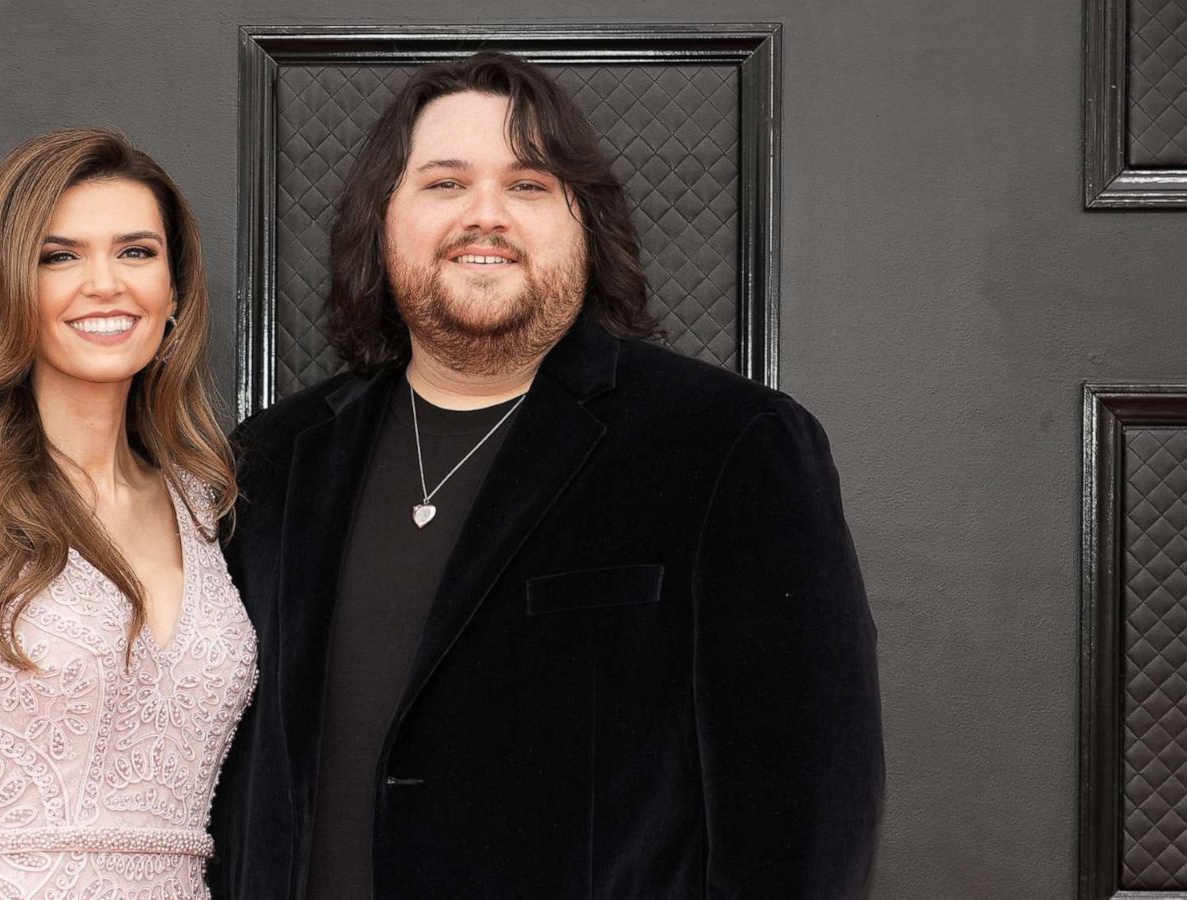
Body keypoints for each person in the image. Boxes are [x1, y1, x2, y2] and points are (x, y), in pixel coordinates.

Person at [208, 52, 883, 899]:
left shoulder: (730, 445)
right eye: (444, 184)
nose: (485, 216)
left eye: (528, 186)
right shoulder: (274, 459)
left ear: (585, 226)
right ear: (381, 221)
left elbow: (804, 818)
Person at [0, 127, 256, 899]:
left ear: (174, 291)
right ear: (9, 288)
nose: (105, 283)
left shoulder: (199, 498)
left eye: (136, 252)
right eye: (58, 256)